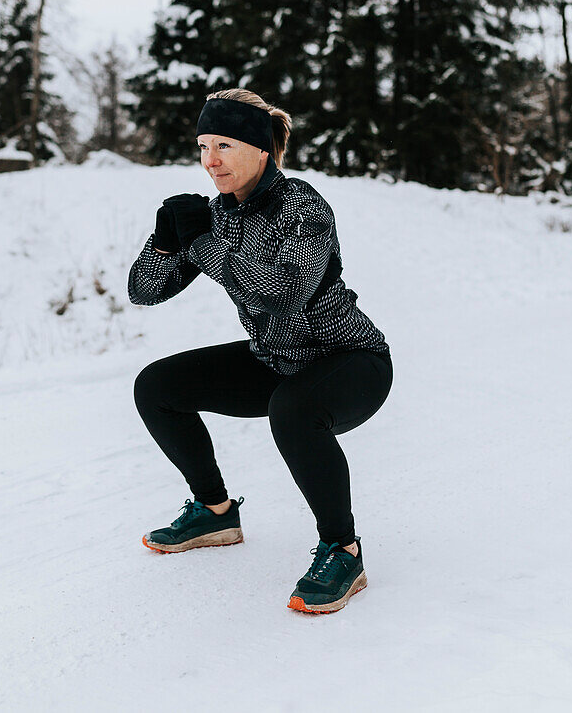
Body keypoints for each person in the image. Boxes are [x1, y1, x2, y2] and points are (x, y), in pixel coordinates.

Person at [129, 88, 393, 614]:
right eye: (203, 146)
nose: (210, 160)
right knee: (156, 387)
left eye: (223, 144)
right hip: (275, 359)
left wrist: (201, 243)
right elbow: (145, 291)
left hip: (348, 359)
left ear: (261, 149)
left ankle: (343, 549)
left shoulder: (300, 204)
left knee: (292, 410)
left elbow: (281, 289)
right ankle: (215, 511)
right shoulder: (217, 215)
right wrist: (163, 241)